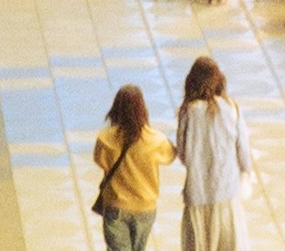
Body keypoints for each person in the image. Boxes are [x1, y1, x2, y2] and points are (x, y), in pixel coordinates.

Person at [172, 62, 248, 251]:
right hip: (227, 193)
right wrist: (246, 173)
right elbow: (243, 151)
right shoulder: (231, 108)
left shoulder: (188, 111)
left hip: (197, 193)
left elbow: (182, 153)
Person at [90, 87, 166, 245]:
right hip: (146, 206)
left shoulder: (105, 138)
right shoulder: (156, 140)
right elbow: (170, 156)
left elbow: (99, 160)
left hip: (116, 205)